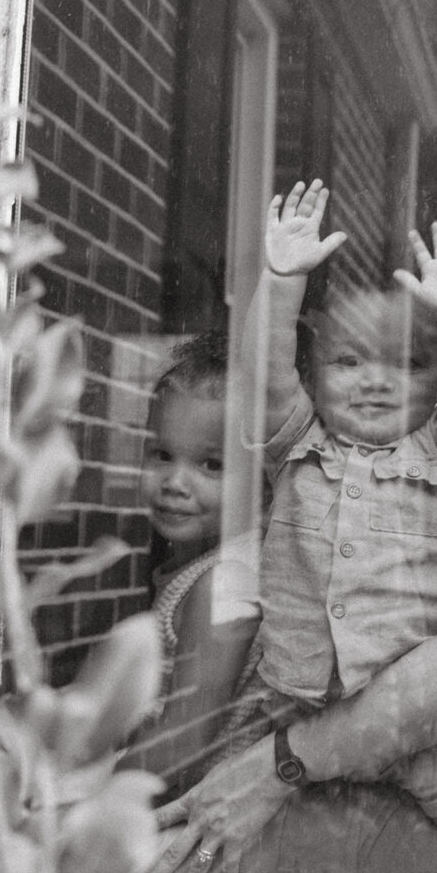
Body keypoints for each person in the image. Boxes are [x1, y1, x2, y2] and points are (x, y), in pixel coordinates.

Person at [122, 96, 437, 873]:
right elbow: (266, 386)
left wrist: (277, 774)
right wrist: (281, 280)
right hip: (330, 712)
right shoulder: (329, 437)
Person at [224, 178, 437, 841]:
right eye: (347, 360)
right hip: (295, 707)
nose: (372, 379)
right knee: (233, 813)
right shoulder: (298, 443)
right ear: (314, 372)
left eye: (403, 364)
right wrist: (280, 281)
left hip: (412, 716)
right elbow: (258, 378)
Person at [135, 331, 262, 787]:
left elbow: (182, 744)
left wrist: (90, 798)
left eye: (211, 465)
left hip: (194, 820)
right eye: (163, 455)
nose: (174, 482)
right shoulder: (208, 570)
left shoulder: (226, 583)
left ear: (264, 479)